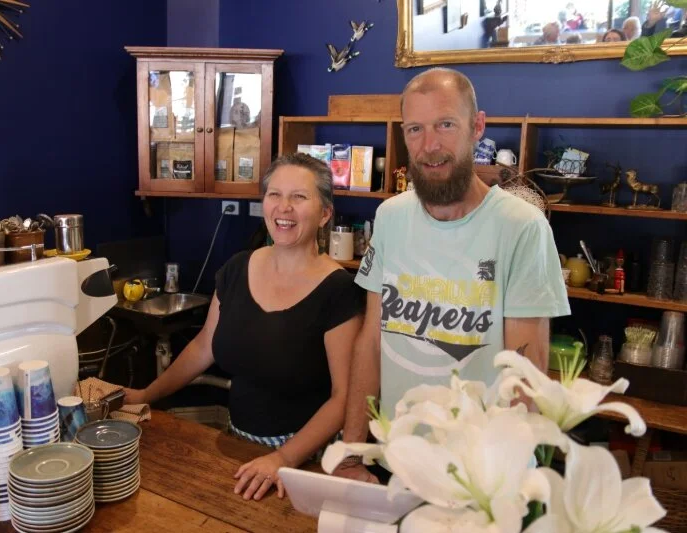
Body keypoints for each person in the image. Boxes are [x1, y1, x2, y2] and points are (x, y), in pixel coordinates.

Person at [333, 68, 570, 483]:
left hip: (480, 479)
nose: (430, 146)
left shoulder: (522, 227)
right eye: (415, 129)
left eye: (445, 125)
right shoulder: (390, 217)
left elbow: (525, 373)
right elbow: (371, 341)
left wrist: (496, 488)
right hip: (395, 464)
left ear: (477, 127)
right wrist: (352, 453)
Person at [125, 153, 364, 500]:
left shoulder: (339, 291)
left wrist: (284, 458)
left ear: (325, 213)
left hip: (304, 459)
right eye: (274, 194)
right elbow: (204, 346)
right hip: (238, 444)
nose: (284, 207)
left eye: (299, 197)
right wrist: (147, 395)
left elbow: (345, 397)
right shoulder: (237, 268)